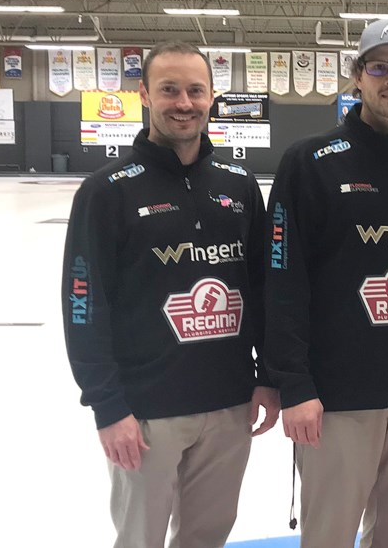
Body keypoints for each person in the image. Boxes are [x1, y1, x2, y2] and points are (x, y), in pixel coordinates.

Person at [61, 40, 279, 548]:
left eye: (195, 90)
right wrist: (108, 407)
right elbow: (83, 303)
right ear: (144, 95)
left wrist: (267, 376)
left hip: (229, 404)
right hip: (145, 412)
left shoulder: (240, 185)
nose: (184, 102)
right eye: (170, 90)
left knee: (208, 535)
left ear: (212, 97)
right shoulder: (107, 191)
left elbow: (266, 287)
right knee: (141, 538)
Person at [264, 19, 388, 548]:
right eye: (379, 67)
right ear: (357, 76)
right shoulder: (308, 163)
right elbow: (283, 279)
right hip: (336, 399)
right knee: (328, 535)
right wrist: (294, 384)